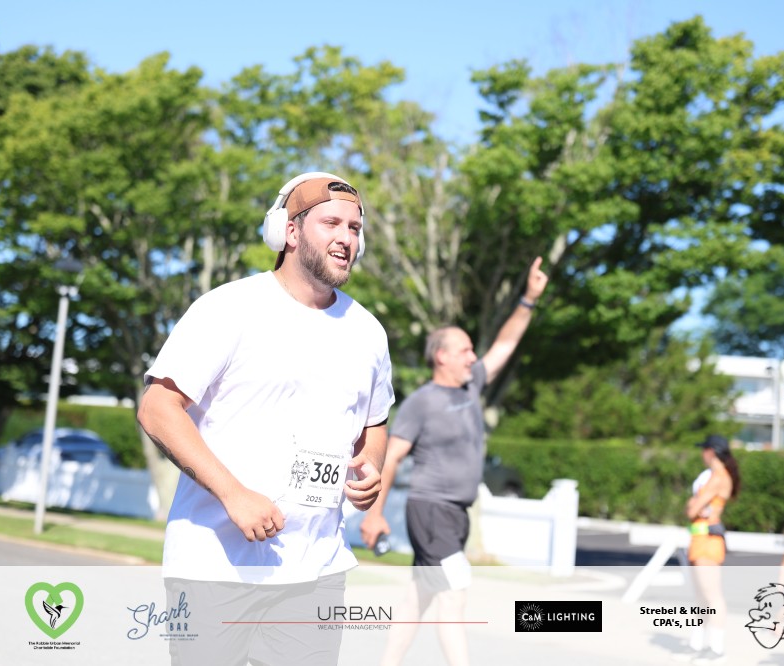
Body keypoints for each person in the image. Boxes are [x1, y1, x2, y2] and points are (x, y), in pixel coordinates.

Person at [137, 171, 394, 666]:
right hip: (215, 567)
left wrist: (370, 467)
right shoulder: (230, 308)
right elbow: (157, 407)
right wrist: (234, 494)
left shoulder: (368, 332)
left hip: (315, 572)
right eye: (331, 223)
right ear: (288, 231)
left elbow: (374, 423)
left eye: (355, 228)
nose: (346, 238)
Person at [359, 256, 548, 666]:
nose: (473, 357)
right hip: (432, 512)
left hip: (455, 515)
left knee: (419, 597)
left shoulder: (471, 386)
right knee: (454, 593)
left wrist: (528, 300)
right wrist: (374, 515)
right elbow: (390, 458)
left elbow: (505, 345)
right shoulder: (421, 403)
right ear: (442, 356)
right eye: (465, 350)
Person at [676, 434, 740, 665]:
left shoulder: (718, 477)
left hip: (707, 541)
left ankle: (716, 648)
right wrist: (694, 506)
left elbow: (692, 510)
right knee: (701, 596)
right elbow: (693, 508)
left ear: (711, 452)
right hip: (700, 539)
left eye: (704, 450)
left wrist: (694, 506)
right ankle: (698, 644)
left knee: (712, 595)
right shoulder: (715, 476)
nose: (702, 454)